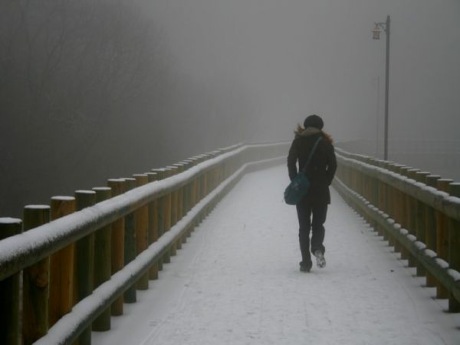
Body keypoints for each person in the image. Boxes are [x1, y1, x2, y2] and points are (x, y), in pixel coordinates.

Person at [287, 114, 337, 272]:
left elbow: (290, 161)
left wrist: (295, 180)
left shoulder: (299, 140)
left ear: (305, 125)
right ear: (320, 126)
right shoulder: (325, 142)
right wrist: (326, 181)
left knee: (303, 227)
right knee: (318, 224)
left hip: (303, 190)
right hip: (321, 190)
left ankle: (306, 263)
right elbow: (333, 165)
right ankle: (317, 248)